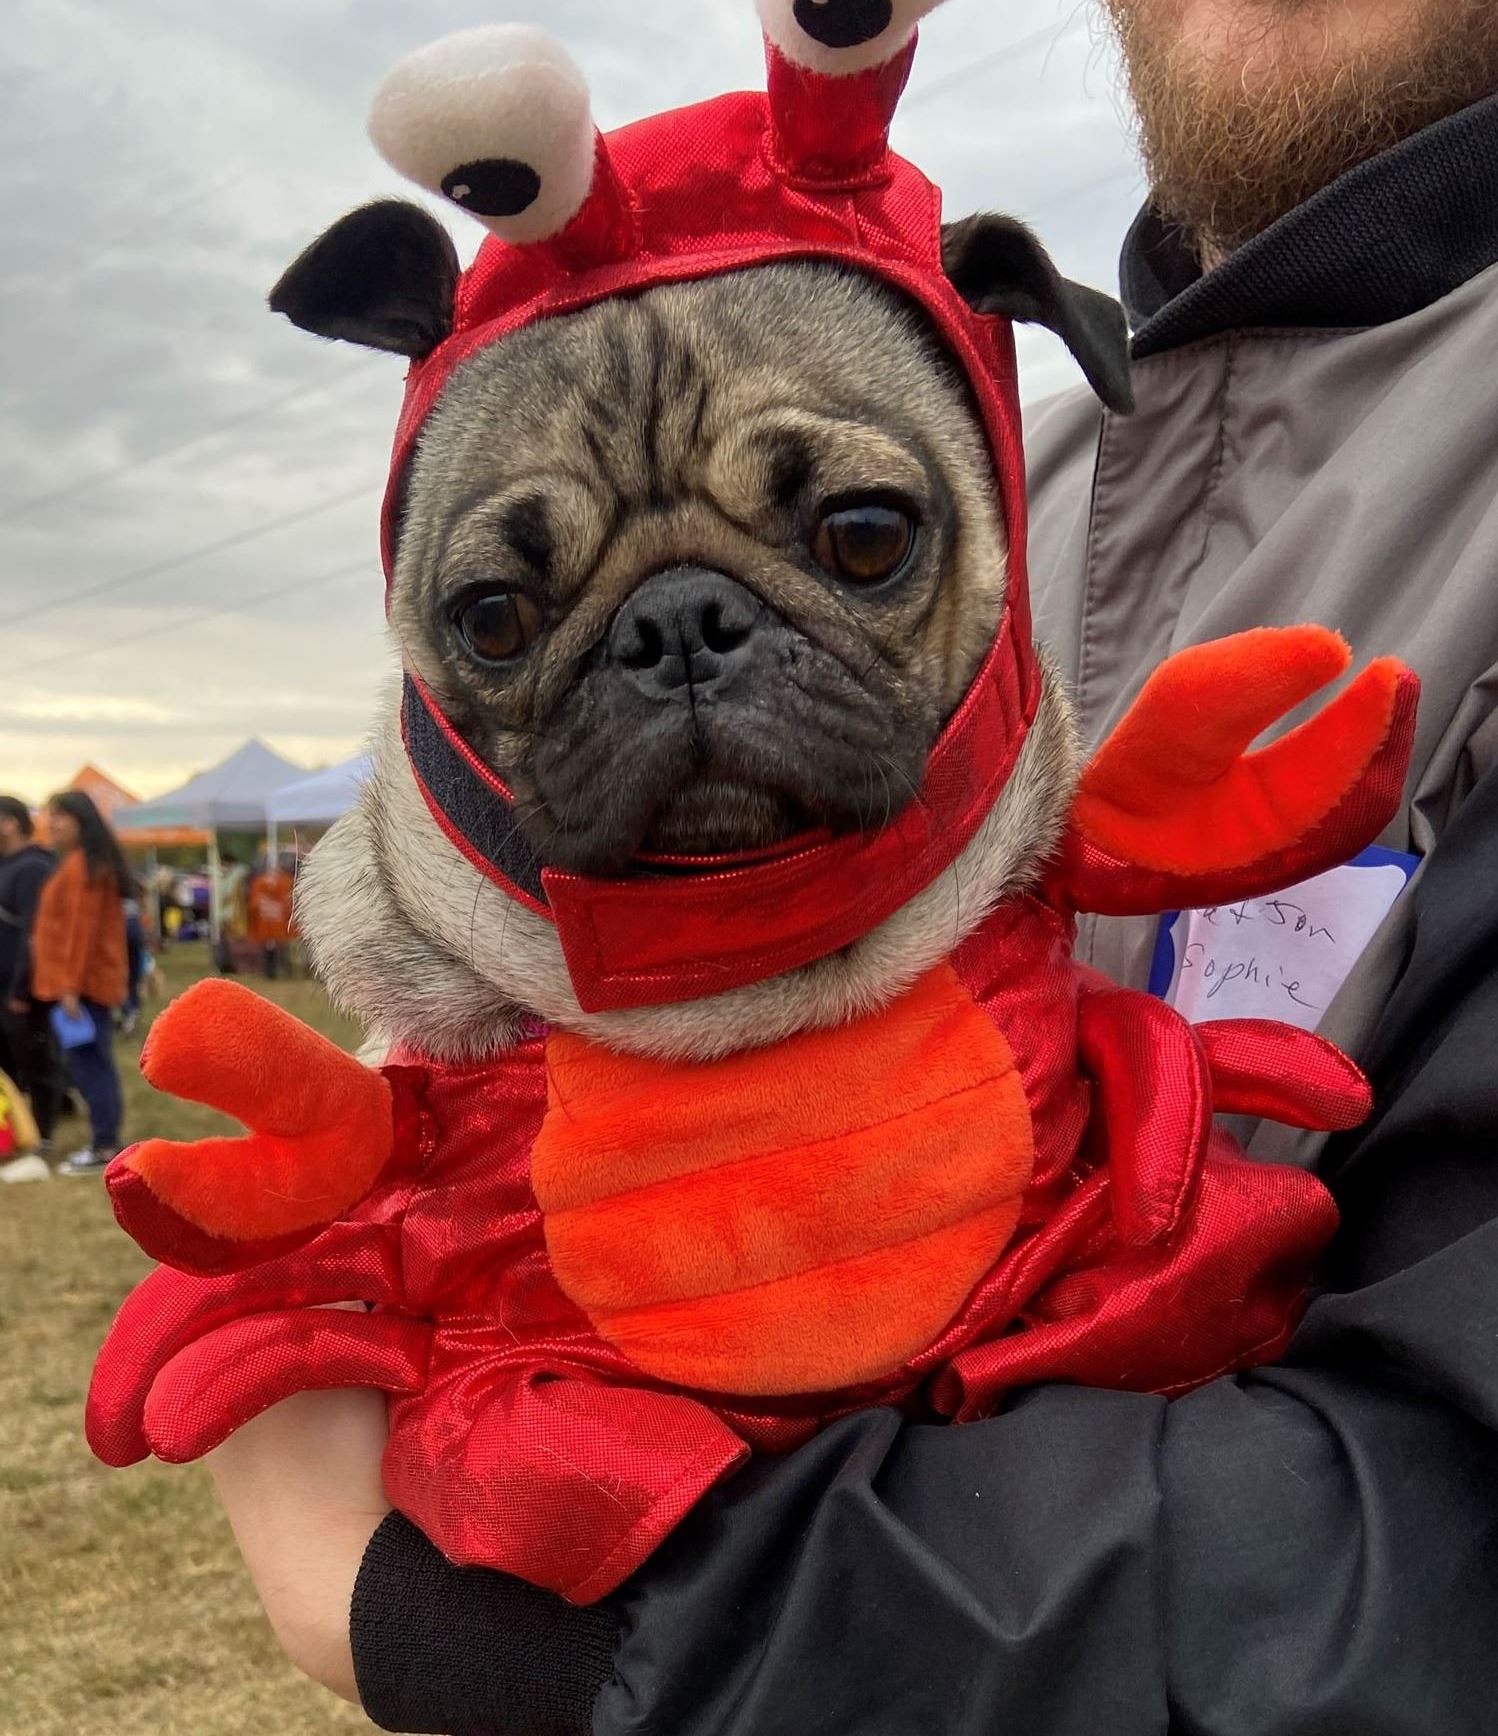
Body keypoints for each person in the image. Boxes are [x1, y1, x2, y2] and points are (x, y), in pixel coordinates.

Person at [205, 0, 1498, 1729]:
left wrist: (497, 1630)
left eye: (857, 540)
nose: (681, 649)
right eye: (516, 614)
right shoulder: (1022, 473)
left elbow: (1424, 1571)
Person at [32, 791, 130, 1176]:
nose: (52, 824)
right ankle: (104, 1139)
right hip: (79, 986)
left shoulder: (85, 867)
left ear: (80, 821)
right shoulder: (79, 863)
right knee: (91, 1064)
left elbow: (79, 933)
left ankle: (105, 1144)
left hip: (83, 988)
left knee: (91, 1065)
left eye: (60, 816)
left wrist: (70, 987)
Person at [0, 796, 64, 1157]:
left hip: (22, 990)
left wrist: (23, 988)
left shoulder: (33, 868)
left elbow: (36, 933)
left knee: (36, 1062)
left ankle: (43, 1133)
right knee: (5, 1071)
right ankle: (9, 1135)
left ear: (10, 822)